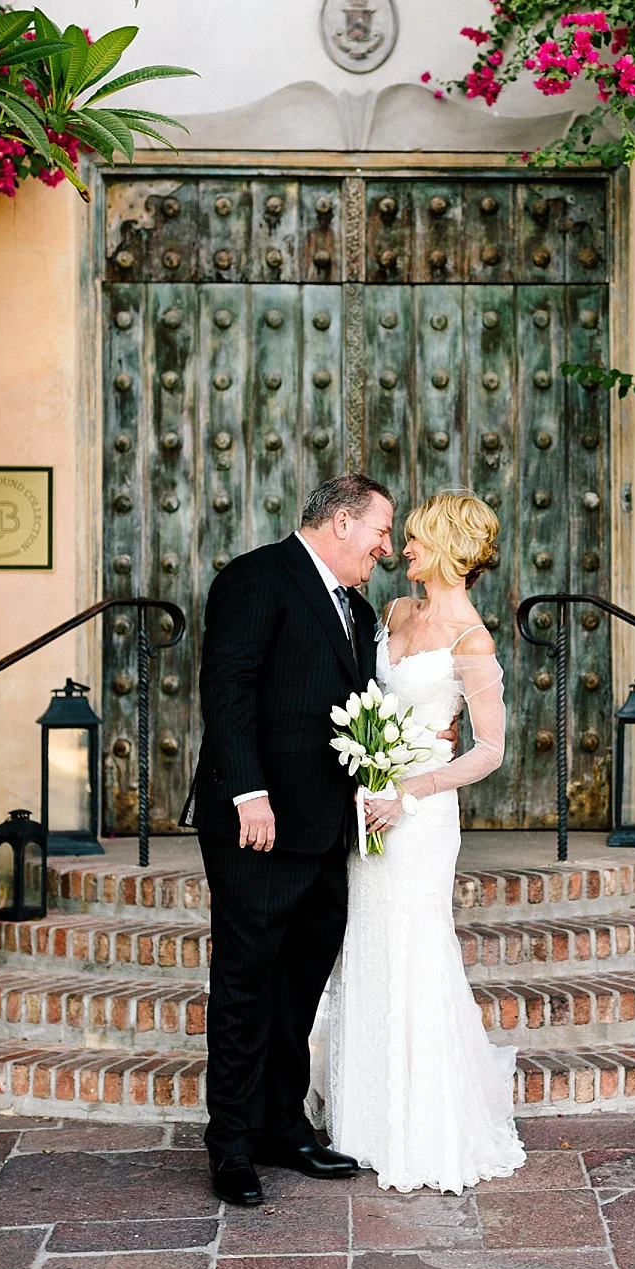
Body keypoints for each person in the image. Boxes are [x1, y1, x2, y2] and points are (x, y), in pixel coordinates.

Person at [310, 489, 524, 1193]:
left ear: (449, 547)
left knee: (413, 948)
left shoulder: (472, 641)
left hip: (419, 814)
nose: (402, 548)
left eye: (416, 538)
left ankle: (420, 1123)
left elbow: (489, 749)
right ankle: (364, 1117)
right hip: (368, 800)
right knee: (366, 945)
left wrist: (410, 791)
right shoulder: (396, 612)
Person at [192, 472, 395, 1206]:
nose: (386, 547)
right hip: (258, 828)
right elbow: (228, 689)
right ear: (341, 522)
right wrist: (249, 793)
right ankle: (230, 1142)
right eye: (380, 531)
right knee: (245, 986)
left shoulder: (358, 610)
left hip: (326, 833)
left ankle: (282, 1124)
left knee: (298, 987)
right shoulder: (255, 578)